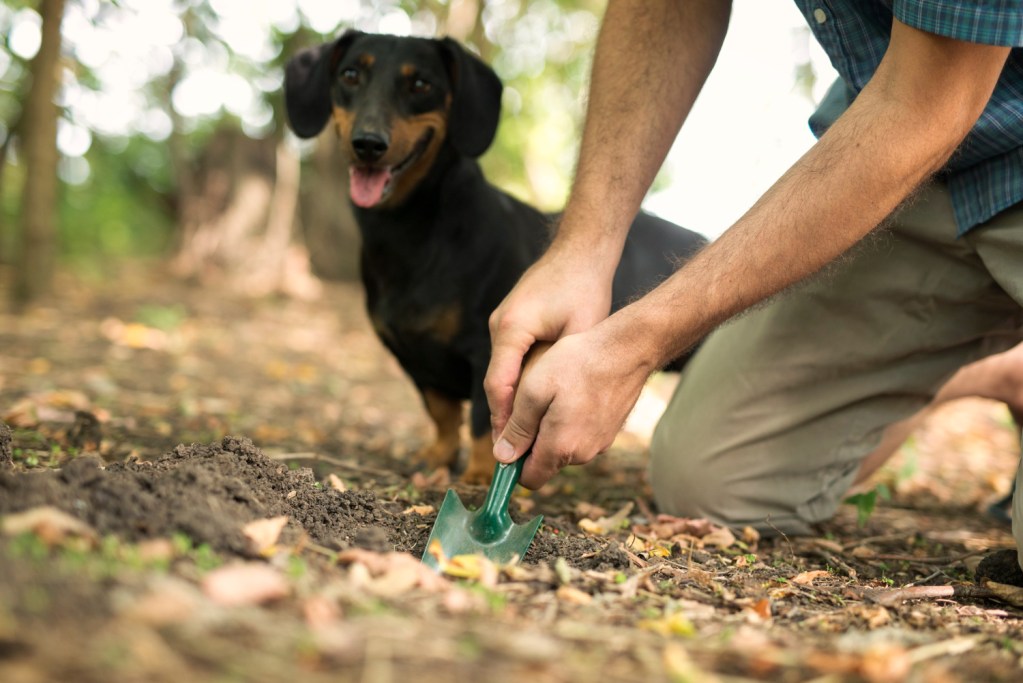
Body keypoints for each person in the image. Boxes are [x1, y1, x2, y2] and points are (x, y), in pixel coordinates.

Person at [483, 0, 1023, 574]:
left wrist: (634, 341)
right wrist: (582, 248)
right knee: (713, 482)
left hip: (928, 117)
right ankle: (985, 367)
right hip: (919, 166)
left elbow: (926, 104)